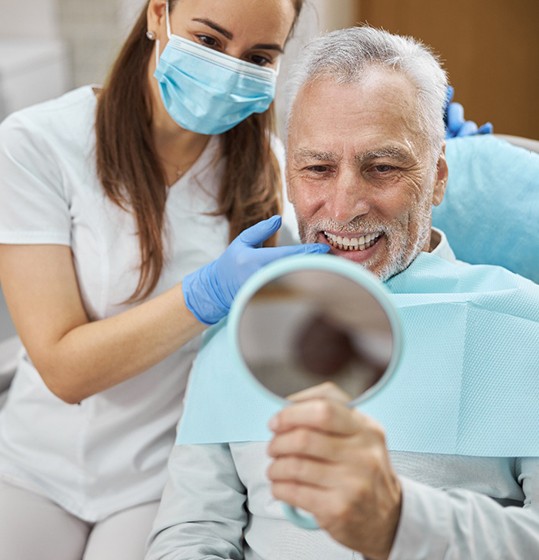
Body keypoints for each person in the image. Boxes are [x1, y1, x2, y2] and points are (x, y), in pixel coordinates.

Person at [146, 26, 539, 559]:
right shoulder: (238, 331)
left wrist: (399, 523)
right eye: (317, 168)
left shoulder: (524, 326)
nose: (344, 205)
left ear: (438, 178)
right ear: (289, 178)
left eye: (382, 168)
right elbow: (191, 533)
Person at [0, 1, 338, 558]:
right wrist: (206, 296)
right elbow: (63, 368)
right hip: (36, 464)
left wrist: (423, 155)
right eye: (208, 41)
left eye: (257, 56)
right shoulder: (38, 144)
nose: (230, 69)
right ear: (158, 13)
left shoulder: (271, 176)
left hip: (162, 476)